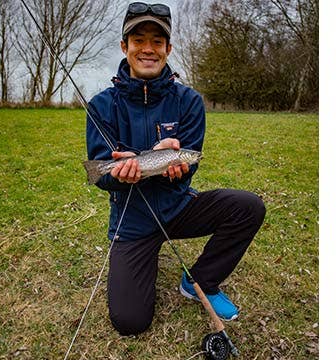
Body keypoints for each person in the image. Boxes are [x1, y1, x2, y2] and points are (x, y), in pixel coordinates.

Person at [85, 2, 266, 336]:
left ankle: (200, 281)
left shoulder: (190, 102)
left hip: (179, 207)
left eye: (157, 41)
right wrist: (117, 175)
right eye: (139, 40)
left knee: (248, 207)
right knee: (130, 322)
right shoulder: (100, 105)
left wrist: (179, 167)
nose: (148, 49)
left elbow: (190, 160)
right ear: (125, 46)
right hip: (132, 219)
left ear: (168, 48)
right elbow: (102, 175)